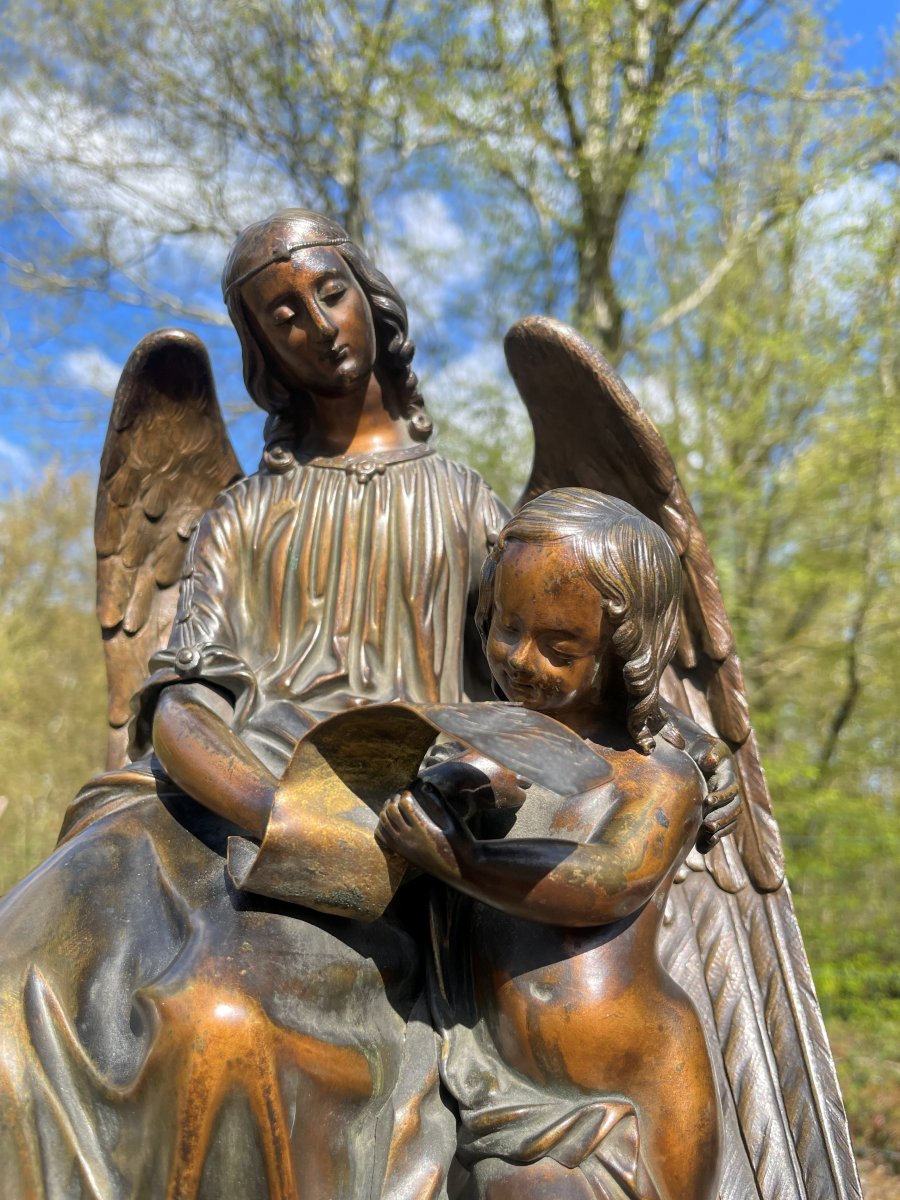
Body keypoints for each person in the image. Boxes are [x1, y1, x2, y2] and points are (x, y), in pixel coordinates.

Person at [0, 211, 733, 1198]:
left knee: (221, 1024)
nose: (318, 326)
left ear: (367, 293)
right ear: (262, 346)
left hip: (375, 826)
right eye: (283, 317)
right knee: (21, 983)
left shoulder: (472, 509)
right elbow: (174, 707)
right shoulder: (243, 515)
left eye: (328, 293)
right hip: (208, 807)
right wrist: (272, 810)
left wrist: (673, 738)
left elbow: (565, 672)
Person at [377, 488, 722, 1200]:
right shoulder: (483, 752)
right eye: (507, 628)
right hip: (490, 1081)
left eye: (560, 647)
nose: (521, 660)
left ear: (625, 650)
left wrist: (462, 860)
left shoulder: (657, 774)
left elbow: (607, 878)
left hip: (624, 1105)